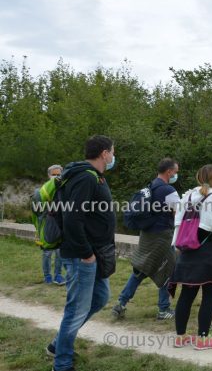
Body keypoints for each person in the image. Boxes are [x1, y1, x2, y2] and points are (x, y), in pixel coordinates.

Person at [48, 135, 117, 371]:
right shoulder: (86, 177)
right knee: (76, 310)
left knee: (100, 298)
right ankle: (62, 364)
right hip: (83, 256)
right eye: (112, 152)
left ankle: (58, 344)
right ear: (104, 153)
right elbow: (72, 218)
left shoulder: (93, 176)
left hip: (93, 253)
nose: (113, 156)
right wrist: (87, 253)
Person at [168, 164, 212, 350]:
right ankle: (202, 339)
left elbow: (178, 225)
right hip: (210, 254)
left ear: (198, 177)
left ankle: (180, 337)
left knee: (186, 294)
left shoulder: (187, 197)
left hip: (187, 252)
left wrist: (178, 249)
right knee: (209, 295)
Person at [112, 158, 180, 321]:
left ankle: (120, 303)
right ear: (169, 172)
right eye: (175, 172)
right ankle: (163, 309)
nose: (176, 175)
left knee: (140, 269)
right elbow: (178, 213)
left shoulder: (149, 187)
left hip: (146, 235)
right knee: (167, 269)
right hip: (162, 236)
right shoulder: (168, 190)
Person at [33, 164, 66, 285]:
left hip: (60, 225)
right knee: (47, 252)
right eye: (54, 174)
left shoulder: (63, 189)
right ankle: (47, 276)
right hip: (46, 225)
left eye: (59, 174)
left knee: (59, 252)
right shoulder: (42, 191)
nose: (56, 177)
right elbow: (36, 212)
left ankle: (58, 275)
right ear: (48, 175)